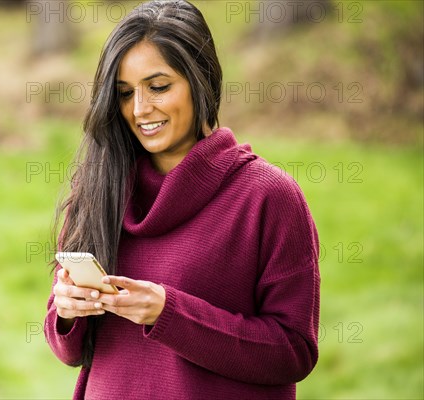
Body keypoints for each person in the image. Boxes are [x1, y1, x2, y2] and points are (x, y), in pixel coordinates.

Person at [44, 1, 320, 398]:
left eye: (158, 86)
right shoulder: (97, 191)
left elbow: (293, 351)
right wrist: (67, 312)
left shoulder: (267, 196)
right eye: (124, 93)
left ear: (200, 80)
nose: (140, 109)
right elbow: (69, 351)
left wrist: (168, 313)